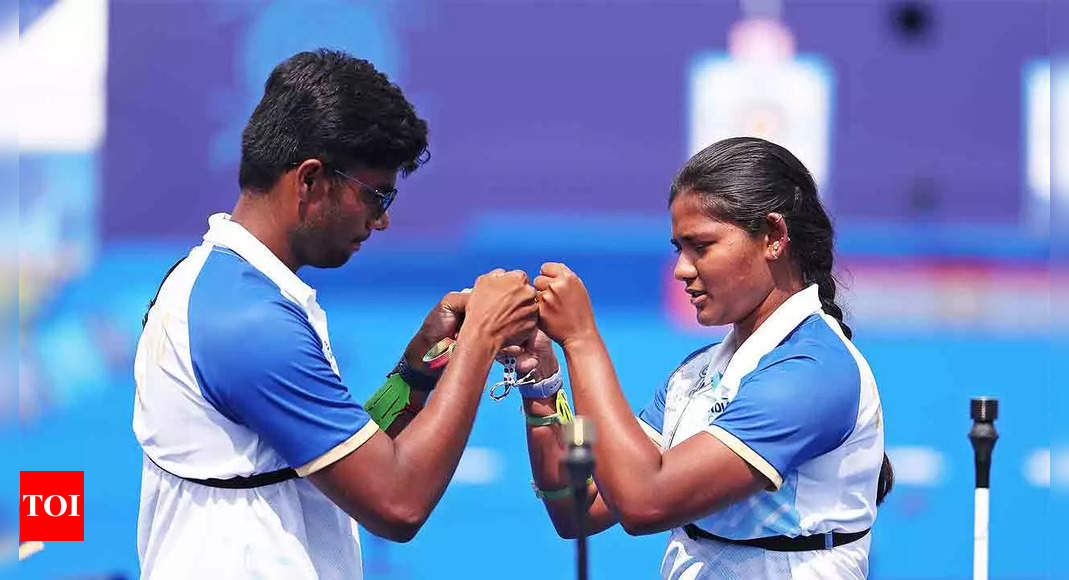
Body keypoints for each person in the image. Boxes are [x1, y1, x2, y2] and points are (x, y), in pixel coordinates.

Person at [132, 49, 539, 579]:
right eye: (377, 195)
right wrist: (483, 336)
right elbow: (397, 502)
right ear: (309, 180)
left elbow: (337, 460)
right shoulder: (249, 323)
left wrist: (414, 375)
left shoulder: (227, 287)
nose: (384, 220)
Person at [511, 137, 892, 579]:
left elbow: (643, 503)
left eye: (701, 246)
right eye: (679, 248)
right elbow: (584, 506)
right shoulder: (696, 372)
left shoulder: (813, 371)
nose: (682, 269)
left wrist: (580, 339)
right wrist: (540, 381)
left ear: (774, 236)